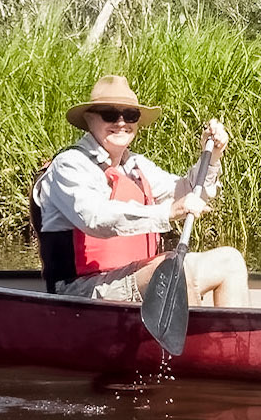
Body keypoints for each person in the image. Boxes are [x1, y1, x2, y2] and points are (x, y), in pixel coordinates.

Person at [31, 74, 248, 306]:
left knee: (230, 261)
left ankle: (234, 343)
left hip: (130, 277)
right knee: (176, 270)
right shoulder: (70, 165)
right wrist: (169, 211)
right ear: (89, 119)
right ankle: (198, 343)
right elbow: (95, 218)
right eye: (110, 114)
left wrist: (212, 157)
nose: (122, 122)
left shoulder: (135, 166)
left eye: (130, 115)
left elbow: (186, 191)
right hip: (78, 291)